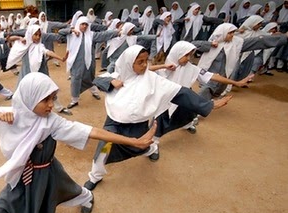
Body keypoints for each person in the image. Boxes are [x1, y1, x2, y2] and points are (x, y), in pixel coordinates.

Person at [0, 72, 157, 213]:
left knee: (68, 192)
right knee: (2, 209)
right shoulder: (13, 113)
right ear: (30, 98)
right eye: (45, 100)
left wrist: (133, 141)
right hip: (20, 176)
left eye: (53, 98)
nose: (51, 105)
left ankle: (87, 198)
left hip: (47, 173)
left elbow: (91, 131)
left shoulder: (51, 121)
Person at [84, 45, 230, 191]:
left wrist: (208, 105)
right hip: (113, 124)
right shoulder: (117, 75)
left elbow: (181, 92)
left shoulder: (153, 80)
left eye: (146, 61)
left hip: (137, 125)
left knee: (140, 147)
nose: (144, 65)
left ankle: (152, 149)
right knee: (103, 149)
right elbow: (97, 79)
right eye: (139, 62)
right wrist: (110, 82)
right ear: (129, 62)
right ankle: (95, 176)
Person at [150, 41, 245, 160]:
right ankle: (154, 144)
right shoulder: (165, 68)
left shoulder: (191, 68)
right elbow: (146, 72)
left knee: (188, 112)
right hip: (166, 101)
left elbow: (212, 76)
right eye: (186, 55)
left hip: (184, 98)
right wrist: (162, 66)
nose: (188, 59)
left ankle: (187, 124)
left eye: (190, 55)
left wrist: (235, 82)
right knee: (159, 121)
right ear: (178, 54)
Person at [6, 24, 71, 115]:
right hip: (27, 74)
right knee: (21, 92)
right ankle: (17, 110)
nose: (37, 37)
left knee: (49, 90)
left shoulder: (40, 46)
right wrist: (19, 38)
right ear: (30, 34)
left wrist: (61, 58)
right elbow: (10, 38)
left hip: (41, 73)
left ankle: (59, 108)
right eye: (35, 34)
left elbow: (48, 52)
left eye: (39, 35)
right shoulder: (24, 44)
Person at [58, 16, 119, 108]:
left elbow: (104, 35)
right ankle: (74, 100)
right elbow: (60, 32)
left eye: (86, 24)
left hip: (89, 62)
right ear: (78, 24)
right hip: (76, 62)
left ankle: (94, 91)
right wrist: (72, 30)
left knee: (90, 77)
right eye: (82, 24)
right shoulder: (72, 34)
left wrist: (116, 32)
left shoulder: (91, 35)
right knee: (75, 79)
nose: (84, 26)